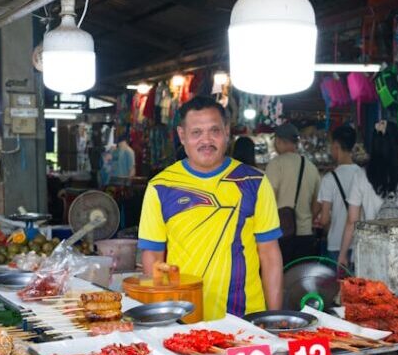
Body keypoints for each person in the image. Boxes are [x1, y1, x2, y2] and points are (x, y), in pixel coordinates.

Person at [139, 96, 283, 320]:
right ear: (182, 135)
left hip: (245, 319)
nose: (206, 140)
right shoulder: (160, 186)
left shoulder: (254, 181)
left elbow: (269, 254)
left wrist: (274, 319)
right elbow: (153, 255)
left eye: (214, 130)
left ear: (226, 131)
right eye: (196, 132)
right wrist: (164, 315)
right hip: (183, 318)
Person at [338, 120, 398, 268]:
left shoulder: (360, 176)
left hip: (367, 255)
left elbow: (352, 221)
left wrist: (342, 254)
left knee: (368, 291)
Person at [265, 123, 321, 265]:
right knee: (301, 281)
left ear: (278, 141)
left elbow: (268, 198)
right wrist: (306, 218)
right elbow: (318, 203)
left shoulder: (275, 164)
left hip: (281, 235)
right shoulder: (311, 167)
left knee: (282, 280)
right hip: (306, 235)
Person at [314, 125, 361, 262]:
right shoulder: (362, 175)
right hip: (359, 243)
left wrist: (332, 229)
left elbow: (324, 220)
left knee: (337, 283)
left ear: (336, 146)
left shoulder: (329, 179)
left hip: (336, 244)